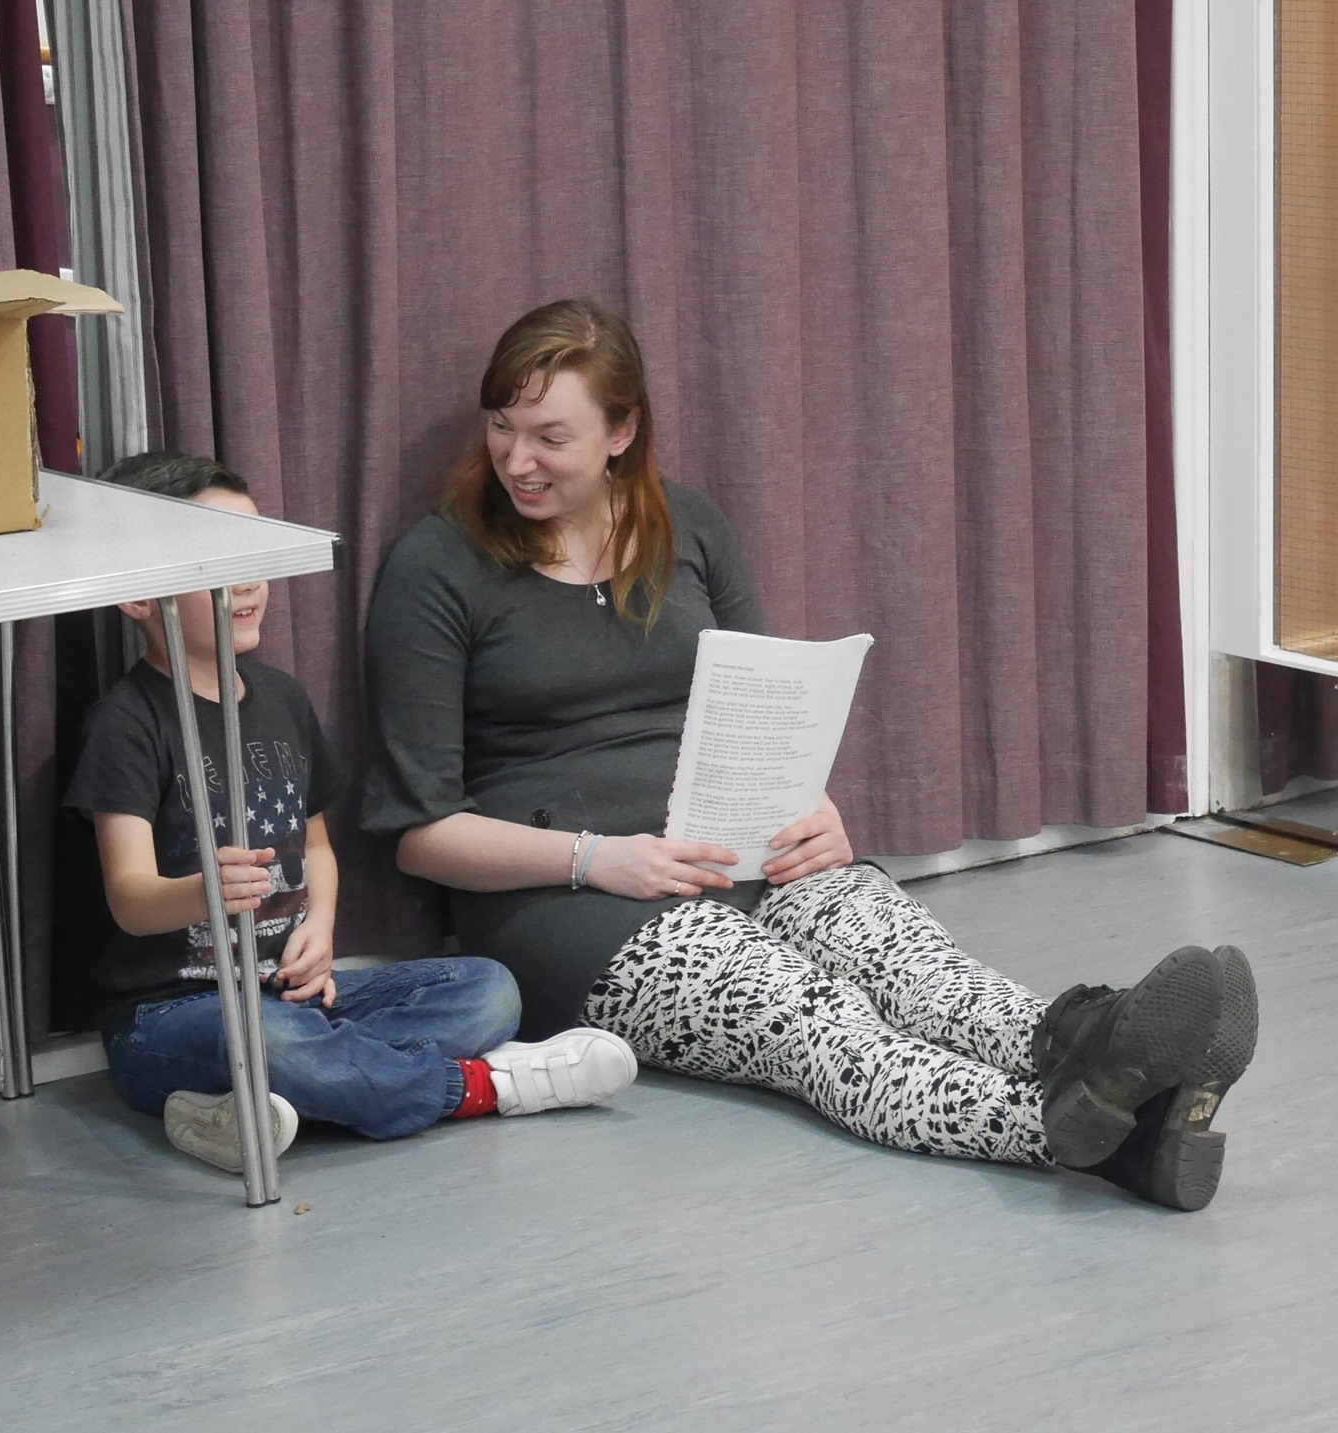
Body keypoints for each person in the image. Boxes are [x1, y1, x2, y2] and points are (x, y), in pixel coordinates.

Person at [361, 298, 1259, 1212]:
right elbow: (419, 832)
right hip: (568, 903)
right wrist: (600, 859)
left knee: (924, 972)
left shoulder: (690, 527)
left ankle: (1102, 1039)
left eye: (551, 436)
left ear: (622, 431)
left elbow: (768, 700)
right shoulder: (439, 566)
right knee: (818, 1023)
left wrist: (812, 806)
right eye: (503, 427)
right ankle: (1090, 1131)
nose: (518, 459)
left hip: (739, 843)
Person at [65, 452, 637, 1175]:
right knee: (272, 1042)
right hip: (169, 1014)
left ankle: (252, 1106)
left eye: (254, 554)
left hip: (290, 993)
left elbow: (318, 849)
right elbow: (129, 899)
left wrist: (320, 926)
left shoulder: (281, 700)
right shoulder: (126, 722)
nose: (247, 581)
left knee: (488, 989)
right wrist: (201, 890)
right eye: (215, 561)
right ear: (138, 596)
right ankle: (480, 1087)